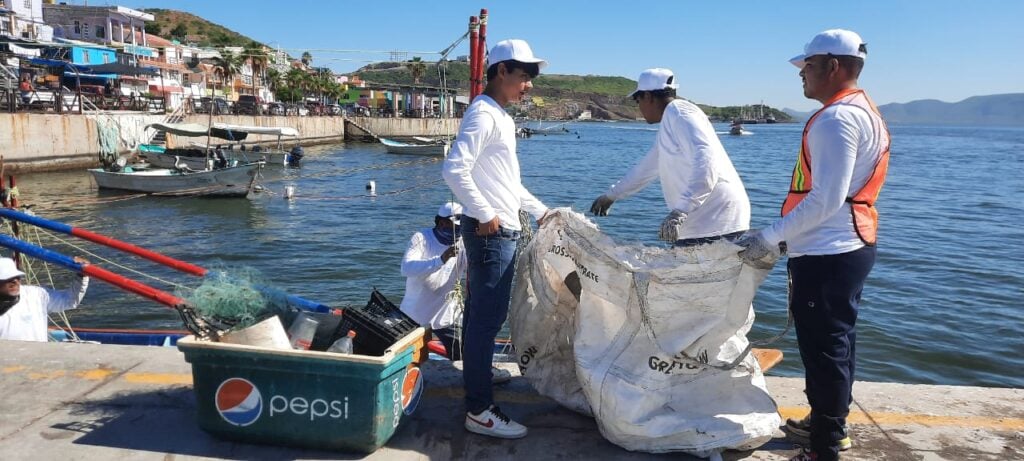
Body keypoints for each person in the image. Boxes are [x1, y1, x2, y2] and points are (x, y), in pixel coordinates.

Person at [736, 29, 890, 461]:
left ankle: (825, 447)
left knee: (824, 352)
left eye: (807, 66)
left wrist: (769, 236)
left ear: (833, 67)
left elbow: (825, 198)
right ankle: (829, 423)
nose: (801, 75)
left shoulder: (836, 119)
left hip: (829, 250)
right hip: (849, 245)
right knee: (838, 344)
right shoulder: (864, 111)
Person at [442, 38, 549, 439]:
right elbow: (455, 169)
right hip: (493, 233)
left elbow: (506, 183)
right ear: (501, 71)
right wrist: (485, 214)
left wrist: (541, 211)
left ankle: (478, 373)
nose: (529, 86)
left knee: (481, 317)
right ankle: (479, 410)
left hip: (501, 229)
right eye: (524, 76)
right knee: (486, 319)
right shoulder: (484, 114)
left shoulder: (498, 115)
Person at [590, 68, 750, 246]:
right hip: (707, 223)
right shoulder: (671, 120)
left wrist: (681, 210)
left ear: (649, 96)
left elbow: (706, 159)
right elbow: (646, 169)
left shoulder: (680, 114)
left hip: (714, 222)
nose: (638, 107)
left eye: (637, 99)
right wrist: (612, 195)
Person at [397, 201, 516, 383]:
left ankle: (482, 376)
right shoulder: (421, 238)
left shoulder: (463, 242)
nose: (459, 232)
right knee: (406, 361)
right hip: (415, 314)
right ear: (442, 223)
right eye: (456, 227)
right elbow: (406, 268)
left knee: (467, 352)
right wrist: (441, 259)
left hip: (446, 313)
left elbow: (476, 268)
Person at [0, 257, 91, 342]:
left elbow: (69, 300)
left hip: (40, 356)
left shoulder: (36, 295)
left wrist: (81, 276)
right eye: (8, 278)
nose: (15, 281)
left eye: (16, 277)